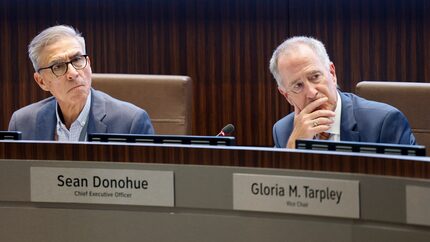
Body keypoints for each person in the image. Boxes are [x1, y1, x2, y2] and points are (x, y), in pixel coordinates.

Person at [8, 25, 154, 140]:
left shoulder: (131, 122)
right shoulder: (22, 124)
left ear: (88, 63)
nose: (73, 73)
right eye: (58, 66)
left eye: (77, 59)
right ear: (41, 81)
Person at [269, 36, 416, 148]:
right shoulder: (283, 131)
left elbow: (408, 185)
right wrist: (293, 150)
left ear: (332, 74)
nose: (312, 93)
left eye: (315, 77)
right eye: (298, 86)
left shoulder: (383, 122)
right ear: (286, 96)